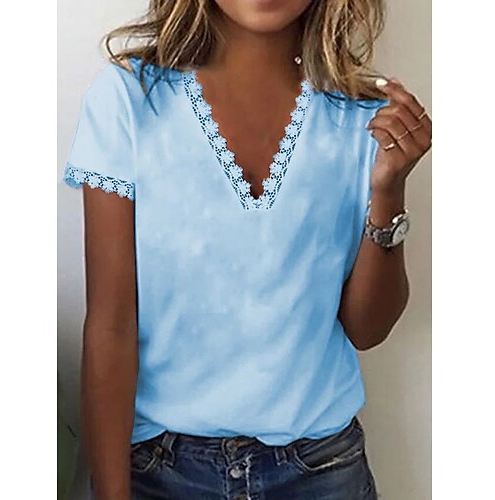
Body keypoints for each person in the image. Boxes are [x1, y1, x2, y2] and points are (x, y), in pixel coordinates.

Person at [61, 1, 431, 498]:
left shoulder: (363, 116)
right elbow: (110, 326)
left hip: (321, 471)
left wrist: (389, 189)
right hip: (159, 471)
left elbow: (367, 329)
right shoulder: (130, 99)